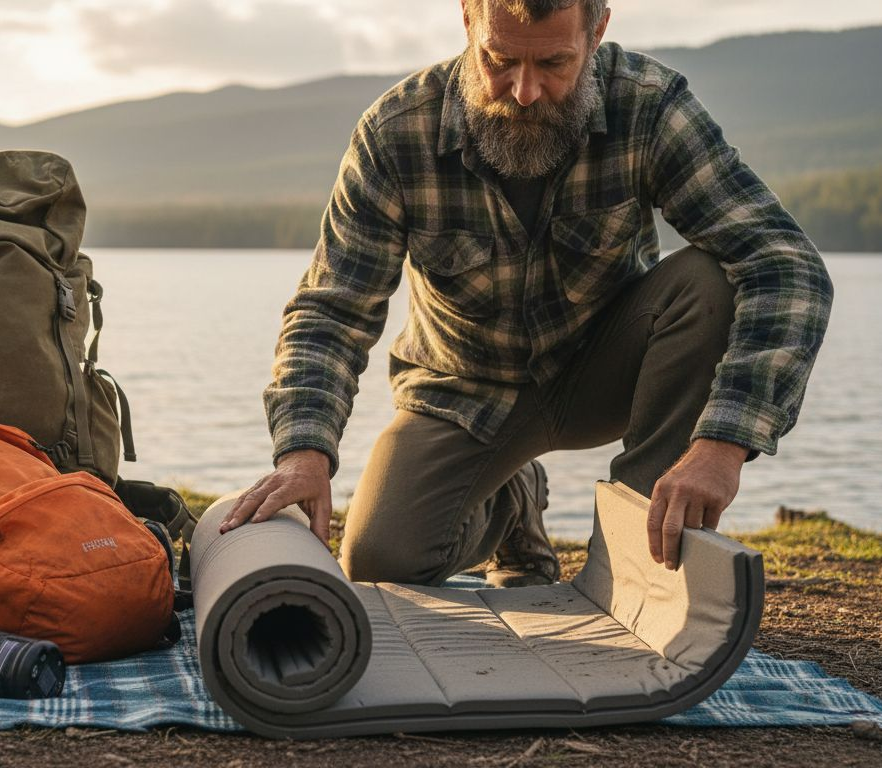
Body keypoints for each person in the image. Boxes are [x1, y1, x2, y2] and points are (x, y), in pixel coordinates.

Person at [219, 0, 833, 586]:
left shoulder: (649, 107)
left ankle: (636, 557)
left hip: (608, 368)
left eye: (553, 65)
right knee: (380, 560)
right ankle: (512, 503)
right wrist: (304, 452)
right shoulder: (394, 133)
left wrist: (721, 447)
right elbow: (331, 311)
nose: (524, 91)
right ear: (468, 22)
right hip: (461, 391)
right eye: (500, 61)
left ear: (596, 35)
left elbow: (786, 265)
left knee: (708, 279)